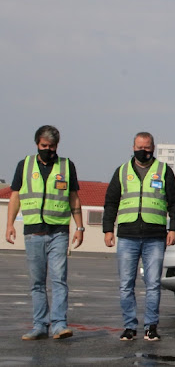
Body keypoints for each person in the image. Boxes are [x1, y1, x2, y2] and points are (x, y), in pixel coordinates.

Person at [5, 125, 84, 341]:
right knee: (37, 282)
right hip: (33, 233)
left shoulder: (67, 166)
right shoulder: (25, 165)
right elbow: (15, 196)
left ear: (57, 146)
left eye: (51, 146)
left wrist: (80, 226)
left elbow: (74, 197)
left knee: (59, 280)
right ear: (37, 144)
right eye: (43, 146)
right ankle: (40, 325)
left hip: (59, 232)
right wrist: (9, 224)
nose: (47, 149)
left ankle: (59, 325)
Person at [103, 132, 175, 341]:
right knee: (126, 284)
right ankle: (129, 326)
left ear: (153, 148)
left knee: (153, 284)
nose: (143, 151)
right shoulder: (122, 171)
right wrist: (108, 229)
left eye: (147, 147)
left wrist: (174, 228)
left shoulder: (163, 171)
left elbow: (174, 203)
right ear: (133, 147)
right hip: (127, 236)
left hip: (155, 237)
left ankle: (151, 327)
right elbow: (110, 202)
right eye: (139, 147)